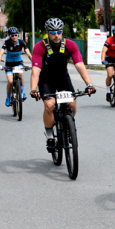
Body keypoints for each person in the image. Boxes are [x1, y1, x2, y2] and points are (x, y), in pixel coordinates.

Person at [30, 17, 96, 152]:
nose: (56, 35)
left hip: (62, 78)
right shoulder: (39, 46)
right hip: (46, 80)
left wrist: (89, 84)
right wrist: (33, 89)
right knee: (49, 105)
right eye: (53, 32)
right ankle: (49, 136)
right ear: (48, 33)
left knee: (71, 103)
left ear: (62, 32)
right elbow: (35, 70)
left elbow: (80, 65)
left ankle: (68, 125)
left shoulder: (70, 45)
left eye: (59, 32)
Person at [0, 27, 32, 107]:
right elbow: (1, 54)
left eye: (16, 35)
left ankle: (22, 92)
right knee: (10, 81)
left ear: (18, 35)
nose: (14, 36)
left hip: (19, 62)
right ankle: (8, 97)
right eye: (12, 35)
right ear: (9, 36)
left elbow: (28, 54)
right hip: (9, 64)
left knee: (20, 74)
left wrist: (34, 63)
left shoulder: (21, 42)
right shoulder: (7, 42)